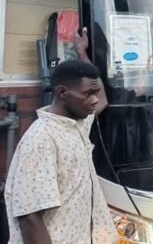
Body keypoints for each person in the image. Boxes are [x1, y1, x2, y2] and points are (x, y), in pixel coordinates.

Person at [4, 28, 115, 243]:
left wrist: (82, 53)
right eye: (87, 94)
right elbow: (29, 218)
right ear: (62, 93)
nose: (94, 99)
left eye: (93, 93)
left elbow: (102, 100)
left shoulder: (76, 124)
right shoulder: (42, 139)